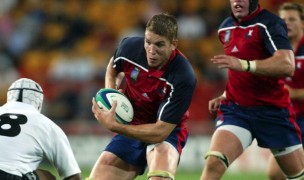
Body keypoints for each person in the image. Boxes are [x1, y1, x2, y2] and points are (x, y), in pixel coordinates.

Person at [200, 0, 304, 179]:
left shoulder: (270, 23)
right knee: (214, 162)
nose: (237, 1)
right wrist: (225, 94)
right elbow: (238, 72)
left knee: (291, 175)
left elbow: (287, 65)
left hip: (273, 112)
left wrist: (244, 64)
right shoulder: (225, 28)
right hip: (237, 110)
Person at [90, 13, 196, 180]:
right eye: (148, 42)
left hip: (166, 132)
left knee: (159, 178)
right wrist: (112, 96)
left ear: (173, 44)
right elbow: (113, 67)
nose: (151, 51)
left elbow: (160, 132)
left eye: (159, 45)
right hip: (133, 122)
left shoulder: (183, 76)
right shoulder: (129, 47)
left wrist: (116, 126)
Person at [0, 78, 81, 180]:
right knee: (46, 176)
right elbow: (72, 176)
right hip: (10, 176)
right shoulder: (46, 124)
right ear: (39, 102)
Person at [267, 2, 304, 180]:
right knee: (275, 174)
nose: (287, 23)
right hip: (287, 118)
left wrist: (294, 93)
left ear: (302, 23)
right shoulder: (274, 49)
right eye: (283, 20)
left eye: (292, 19)